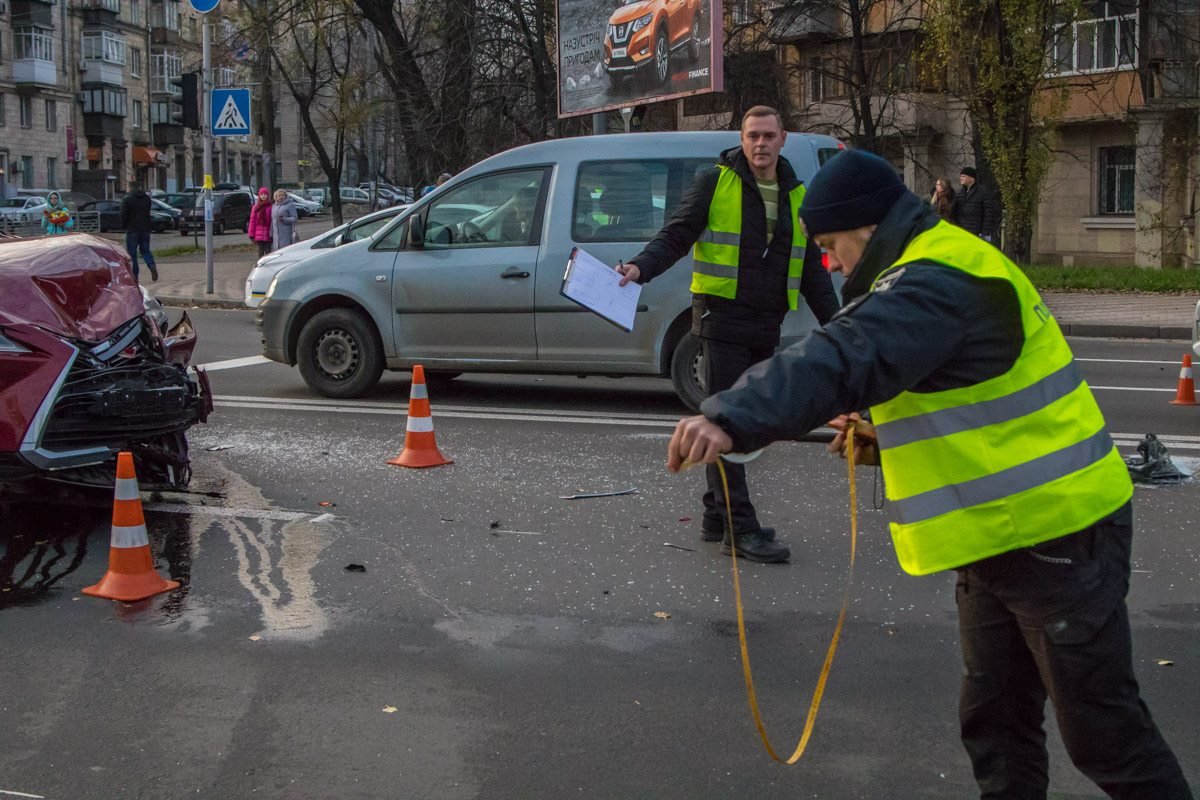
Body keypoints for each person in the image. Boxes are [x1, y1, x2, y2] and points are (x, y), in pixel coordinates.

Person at [665, 149, 1193, 799]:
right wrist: (888, 438)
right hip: (1002, 540)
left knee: (1106, 737)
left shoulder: (937, 277)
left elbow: (847, 353)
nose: (830, 262)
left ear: (867, 227)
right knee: (996, 724)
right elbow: (969, 394)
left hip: (1058, 535)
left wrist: (730, 414)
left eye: (832, 246)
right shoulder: (932, 267)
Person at [615, 105, 840, 563]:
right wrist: (641, 267)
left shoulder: (798, 195)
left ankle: (716, 515)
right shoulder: (716, 182)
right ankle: (741, 528)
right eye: (752, 136)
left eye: (768, 136)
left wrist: (839, 324)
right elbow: (677, 234)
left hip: (766, 322)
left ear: (782, 140)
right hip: (720, 321)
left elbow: (812, 273)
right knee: (729, 424)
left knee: (739, 422)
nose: (760, 144)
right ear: (742, 140)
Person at [119, 182, 158, 282]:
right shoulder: (146, 198)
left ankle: (135, 275)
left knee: (132, 254)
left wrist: (124, 226)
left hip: (132, 229)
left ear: (130, 188)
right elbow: (148, 212)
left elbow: (123, 215)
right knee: (145, 250)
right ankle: (151, 265)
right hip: (145, 228)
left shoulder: (127, 199)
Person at [953, 166, 1001, 242]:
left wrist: (985, 232)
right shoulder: (959, 193)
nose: (961, 178)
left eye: (964, 176)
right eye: (960, 176)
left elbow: (988, 213)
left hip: (977, 234)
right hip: (962, 233)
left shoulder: (983, 192)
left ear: (972, 178)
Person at [248, 188, 274, 258]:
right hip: (258, 234)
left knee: (268, 252)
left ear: (268, 195)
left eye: (265, 194)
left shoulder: (271, 207)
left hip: (268, 233)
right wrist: (251, 234)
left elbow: (272, 221)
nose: (263, 196)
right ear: (259, 196)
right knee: (260, 252)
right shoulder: (256, 207)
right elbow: (252, 221)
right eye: (261, 194)